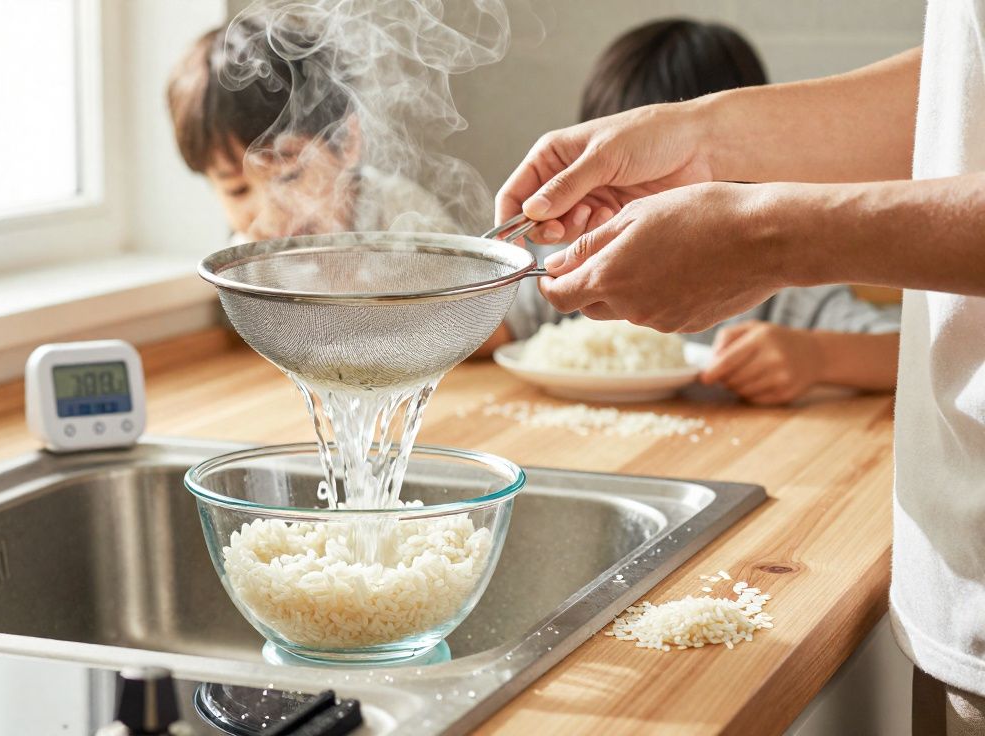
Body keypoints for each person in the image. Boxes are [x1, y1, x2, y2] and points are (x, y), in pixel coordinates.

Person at [496, 2, 985, 732]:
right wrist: (704, 137)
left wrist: (768, 237)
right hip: (953, 592)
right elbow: (963, 90)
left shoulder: (804, 306)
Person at [500, 18, 900, 406]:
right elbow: (490, 328)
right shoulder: (565, 262)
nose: (631, 208)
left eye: (648, 179)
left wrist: (817, 357)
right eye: (609, 185)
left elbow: (902, 351)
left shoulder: (784, 291)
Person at [166, 20, 455, 244]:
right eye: (237, 190)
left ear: (347, 141)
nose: (270, 218)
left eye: (289, 175)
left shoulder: (402, 214)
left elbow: (489, 320)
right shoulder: (248, 258)